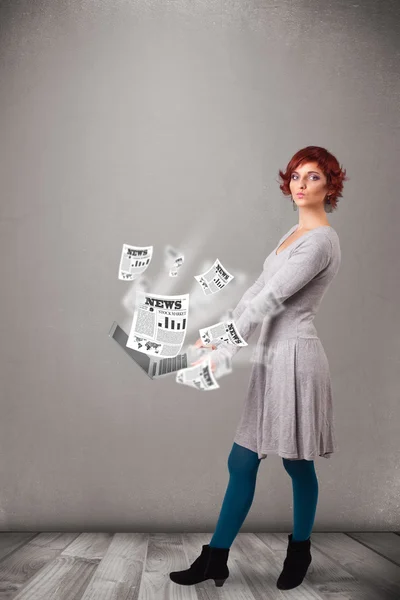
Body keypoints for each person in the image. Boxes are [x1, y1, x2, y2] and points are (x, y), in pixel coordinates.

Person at [170, 146, 348, 591]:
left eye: (313, 178)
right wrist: (215, 335)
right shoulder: (293, 233)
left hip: (296, 360)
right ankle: (216, 558)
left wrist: (224, 343)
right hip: (271, 359)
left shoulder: (322, 241)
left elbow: (274, 300)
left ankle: (299, 550)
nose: (301, 185)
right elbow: (256, 291)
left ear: (331, 186)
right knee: (242, 460)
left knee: (296, 465)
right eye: (295, 177)